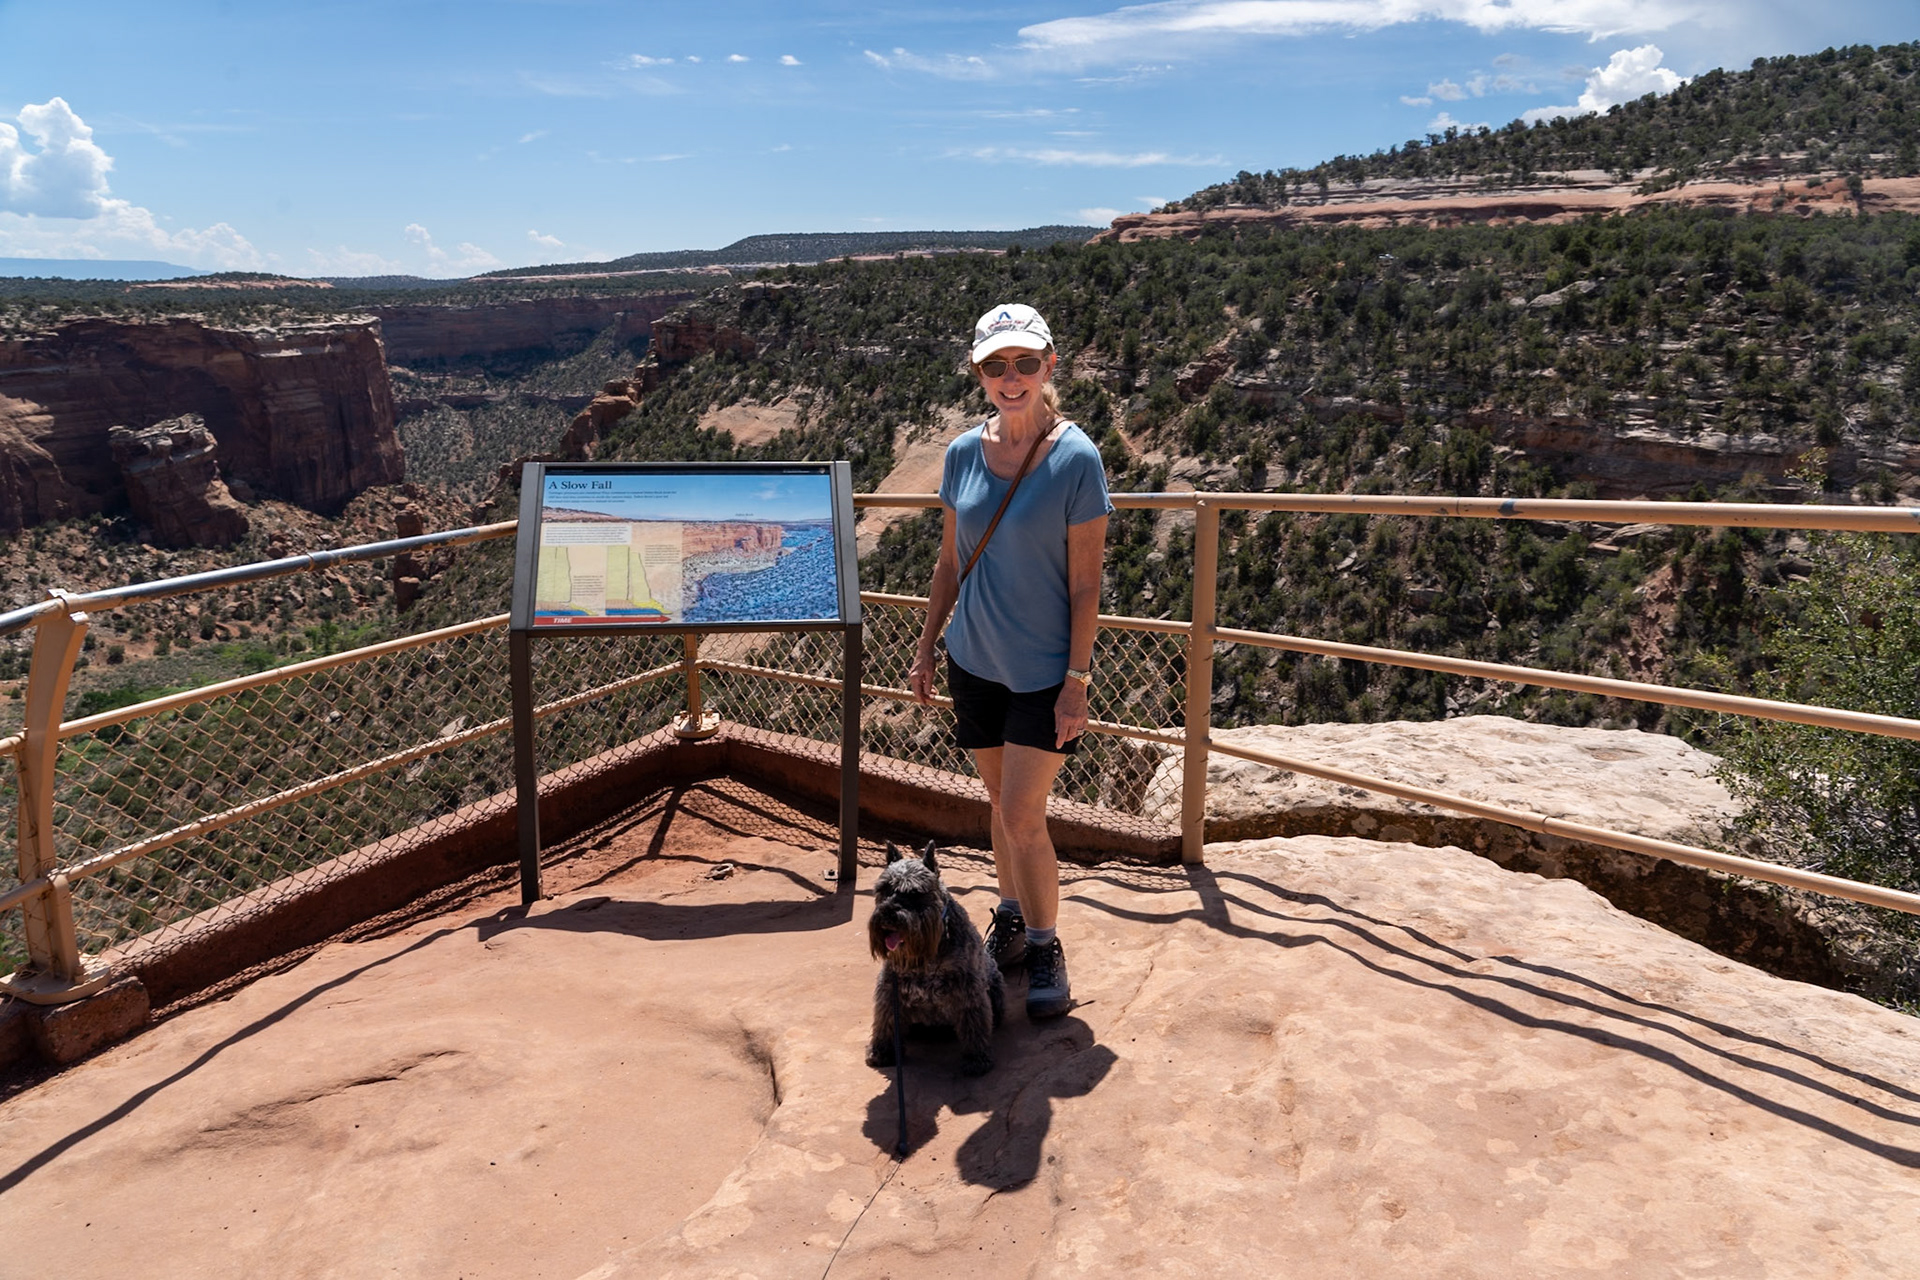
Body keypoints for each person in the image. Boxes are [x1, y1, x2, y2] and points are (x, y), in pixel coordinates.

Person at [908, 303, 1111, 1019]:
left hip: (1044, 674)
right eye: (997, 365)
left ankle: (1048, 944)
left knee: (1025, 816)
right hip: (974, 660)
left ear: (1050, 366)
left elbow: (1087, 583)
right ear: (979, 373)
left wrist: (1078, 682)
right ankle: (1013, 921)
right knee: (999, 806)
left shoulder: (1076, 459)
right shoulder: (963, 453)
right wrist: (928, 647)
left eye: (1025, 362)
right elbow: (947, 565)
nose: (1012, 377)